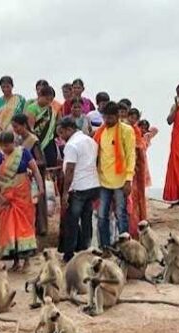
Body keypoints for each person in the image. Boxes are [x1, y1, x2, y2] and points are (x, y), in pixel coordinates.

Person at [0, 131, 45, 271]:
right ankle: (15, 261)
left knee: (23, 226)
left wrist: (41, 187)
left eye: (7, 145)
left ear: (13, 142)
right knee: (9, 227)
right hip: (6, 197)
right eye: (2, 146)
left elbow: (36, 170)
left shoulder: (24, 153)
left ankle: (26, 261)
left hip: (22, 196)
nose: (4, 148)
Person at [57, 117, 101, 262]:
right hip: (93, 184)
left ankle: (69, 254)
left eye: (62, 133)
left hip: (78, 187)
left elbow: (70, 170)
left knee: (72, 221)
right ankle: (86, 250)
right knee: (86, 219)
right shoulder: (90, 141)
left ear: (69, 129)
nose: (61, 137)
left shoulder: (72, 145)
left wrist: (64, 193)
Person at [93, 102, 136, 248]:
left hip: (120, 181)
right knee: (102, 216)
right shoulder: (100, 131)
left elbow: (131, 155)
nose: (108, 120)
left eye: (111, 117)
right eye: (105, 117)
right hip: (103, 181)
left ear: (117, 116)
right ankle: (105, 247)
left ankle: (125, 248)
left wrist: (128, 179)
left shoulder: (126, 131)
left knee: (121, 216)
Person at [25, 84, 64, 221]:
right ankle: (36, 198)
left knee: (50, 171)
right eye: (47, 99)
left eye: (51, 99)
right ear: (41, 96)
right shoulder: (32, 108)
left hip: (49, 144)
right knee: (36, 171)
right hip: (35, 144)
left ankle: (51, 199)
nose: (49, 102)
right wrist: (36, 145)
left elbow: (56, 127)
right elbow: (29, 129)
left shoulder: (52, 110)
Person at [12, 113, 48, 237]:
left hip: (33, 179)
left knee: (35, 209)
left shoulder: (33, 140)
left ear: (24, 125)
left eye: (16, 127)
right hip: (22, 180)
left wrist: (26, 164)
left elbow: (41, 161)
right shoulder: (18, 140)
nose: (15, 130)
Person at [0, 75, 26, 141]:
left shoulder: (20, 100)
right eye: (3, 87)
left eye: (8, 87)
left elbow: (24, 117)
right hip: (1, 134)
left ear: (12, 86)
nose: (5, 89)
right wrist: (1, 132)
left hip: (17, 134)